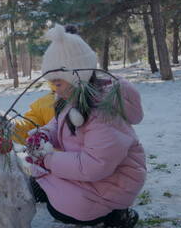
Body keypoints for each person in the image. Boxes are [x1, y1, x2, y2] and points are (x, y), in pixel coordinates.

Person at [26, 24, 146, 228]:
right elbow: (57, 125)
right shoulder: (72, 99)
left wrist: (47, 159)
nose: (54, 88)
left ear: (77, 76)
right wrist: (43, 135)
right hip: (91, 176)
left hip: (113, 182)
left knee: (65, 210)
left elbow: (94, 165)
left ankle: (115, 215)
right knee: (36, 183)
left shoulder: (103, 112)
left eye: (58, 83)